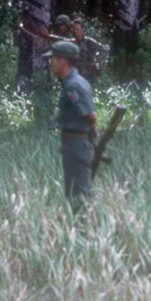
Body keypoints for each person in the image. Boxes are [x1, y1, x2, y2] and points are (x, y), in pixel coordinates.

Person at [47, 40, 96, 207]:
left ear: (63, 60)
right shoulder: (70, 83)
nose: (50, 63)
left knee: (80, 196)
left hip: (77, 144)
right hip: (73, 143)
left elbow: (91, 116)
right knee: (73, 193)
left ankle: (86, 230)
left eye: (52, 58)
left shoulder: (74, 85)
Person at [70, 16, 105, 84]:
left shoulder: (89, 42)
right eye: (74, 29)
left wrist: (96, 61)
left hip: (89, 75)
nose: (75, 31)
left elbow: (103, 49)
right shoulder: (70, 43)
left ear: (82, 30)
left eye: (77, 29)